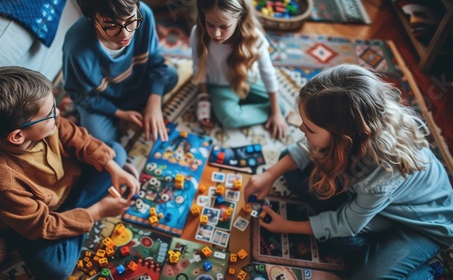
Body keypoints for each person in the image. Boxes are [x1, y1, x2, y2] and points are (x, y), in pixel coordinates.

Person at [244, 64, 453, 279]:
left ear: (344, 140)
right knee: (289, 166)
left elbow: (346, 224)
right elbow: (308, 148)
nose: (300, 130)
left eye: (310, 128)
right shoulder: (359, 125)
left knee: (364, 272)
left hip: (421, 225)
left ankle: (421, 266)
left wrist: (288, 226)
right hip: (377, 206)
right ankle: (372, 243)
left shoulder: (380, 179)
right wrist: (269, 175)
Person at [0, 66, 140, 279]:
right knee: (56, 270)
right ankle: (6, 236)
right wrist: (98, 212)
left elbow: (79, 138)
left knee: (116, 154)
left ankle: (75, 218)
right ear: (17, 136)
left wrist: (112, 168)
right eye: (49, 113)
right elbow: (41, 226)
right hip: (34, 218)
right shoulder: (0, 179)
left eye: (54, 105)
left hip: (65, 189)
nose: (58, 113)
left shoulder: (47, 121)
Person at [62, 0, 178, 145]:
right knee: (99, 140)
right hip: (101, 99)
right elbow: (78, 94)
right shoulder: (76, 48)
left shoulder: (144, 14)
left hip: (133, 87)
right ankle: (118, 115)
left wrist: (154, 104)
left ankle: (123, 113)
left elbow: (156, 62)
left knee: (171, 76)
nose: (125, 34)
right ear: (91, 19)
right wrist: (119, 113)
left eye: (130, 20)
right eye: (111, 26)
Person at [191, 0, 288, 139]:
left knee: (280, 107)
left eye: (224, 27)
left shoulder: (255, 38)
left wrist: (276, 113)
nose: (216, 34)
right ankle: (241, 104)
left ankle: (259, 107)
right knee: (229, 119)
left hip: (247, 79)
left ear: (240, 18)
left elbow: (268, 74)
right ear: (203, 16)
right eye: (210, 25)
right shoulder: (197, 34)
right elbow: (198, 67)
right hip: (220, 85)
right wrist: (203, 97)